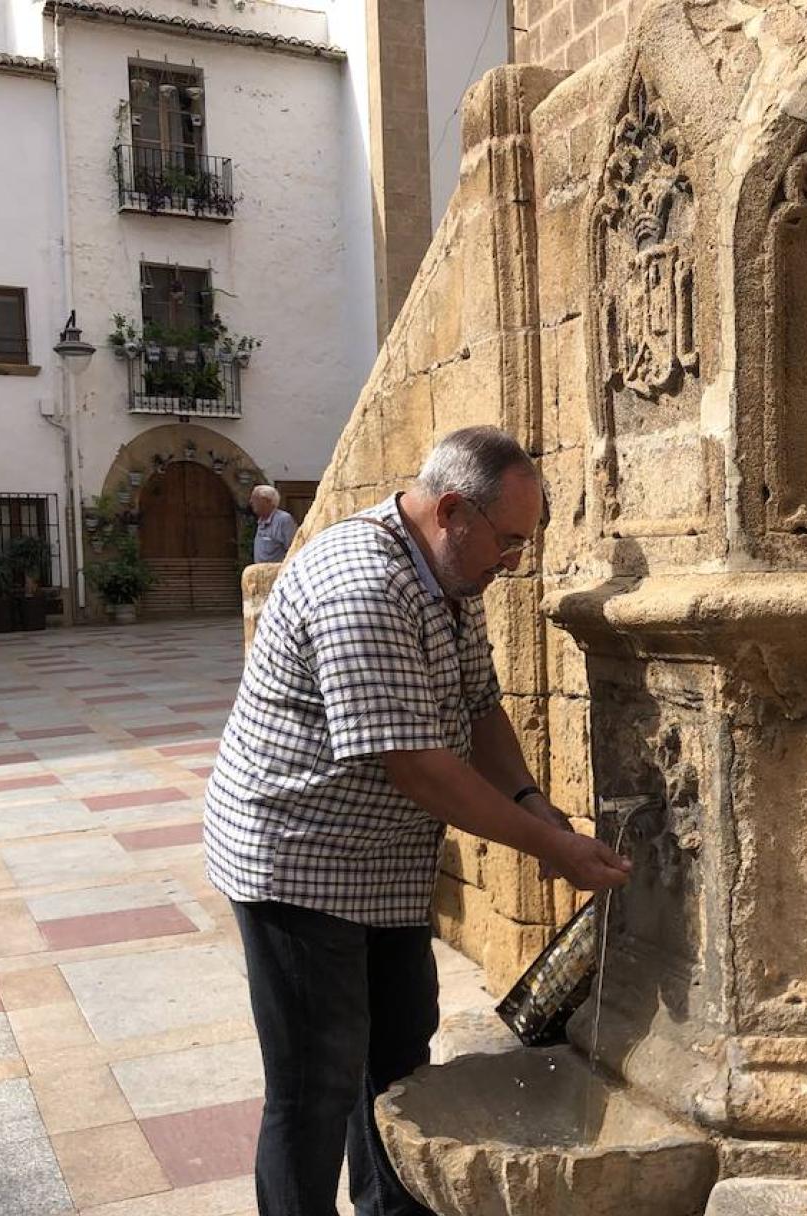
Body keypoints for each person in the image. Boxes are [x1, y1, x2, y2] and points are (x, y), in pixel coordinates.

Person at [204, 427, 630, 1216]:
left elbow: (479, 708)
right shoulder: (361, 582)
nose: (512, 563)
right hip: (299, 859)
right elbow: (418, 766)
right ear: (453, 511)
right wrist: (551, 847)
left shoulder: (451, 580)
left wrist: (535, 806)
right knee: (314, 1087)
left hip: (383, 866)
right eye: (506, 542)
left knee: (400, 1058)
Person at [250, 484, 297, 564]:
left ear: (267, 501)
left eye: (255, 498)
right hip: (261, 573)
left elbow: (293, 549)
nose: (251, 501)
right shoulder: (261, 521)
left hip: (277, 573)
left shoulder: (283, 519)